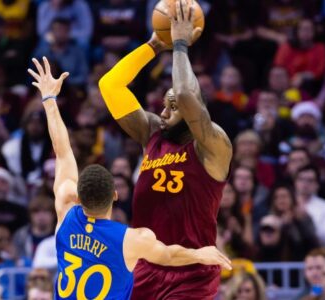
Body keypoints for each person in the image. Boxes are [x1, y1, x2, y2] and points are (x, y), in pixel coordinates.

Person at [28, 56, 232, 299]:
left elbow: (62, 152)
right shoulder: (128, 239)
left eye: (173, 106)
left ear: (78, 195)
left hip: (185, 278)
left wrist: (49, 100)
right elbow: (168, 255)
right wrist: (199, 254)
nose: (164, 111)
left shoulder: (66, 216)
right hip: (160, 263)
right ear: (115, 195)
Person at [99, 0, 233, 298]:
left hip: (193, 270)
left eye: (172, 106)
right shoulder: (152, 134)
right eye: (163, 104)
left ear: (194, 110)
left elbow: (185, 93)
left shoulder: (213, 144)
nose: (163, 111)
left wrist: (181, 45)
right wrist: (155, 44)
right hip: (146, 267)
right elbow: (110, 85)